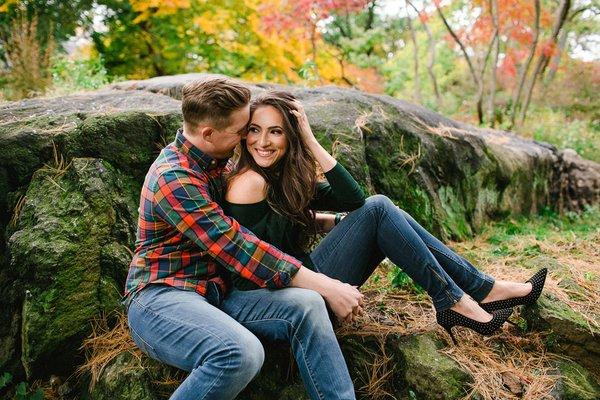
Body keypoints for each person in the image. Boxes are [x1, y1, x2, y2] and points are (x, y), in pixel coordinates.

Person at [223, 90, 548, 344]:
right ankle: (460, 298)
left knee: (386, 211)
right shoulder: (249, 183)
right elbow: (254, 265)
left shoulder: (282, 175)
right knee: (379, 209)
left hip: (308, 282)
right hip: (293, 302)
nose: (262, 142)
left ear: (289, 137)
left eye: (276, 131)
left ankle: (480, 290)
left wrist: (309, 140)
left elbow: (352, 200)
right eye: (254, 130)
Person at [123, 77, 367, 400]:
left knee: (308, 305)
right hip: (163, 298)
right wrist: (327, 285)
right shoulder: (174, 179)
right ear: (208, 134)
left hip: (219, 294)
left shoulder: (216, 163)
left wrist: (322, 222)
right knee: (241, 352)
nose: (246, 138)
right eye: (241, 130)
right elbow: (239, 246)